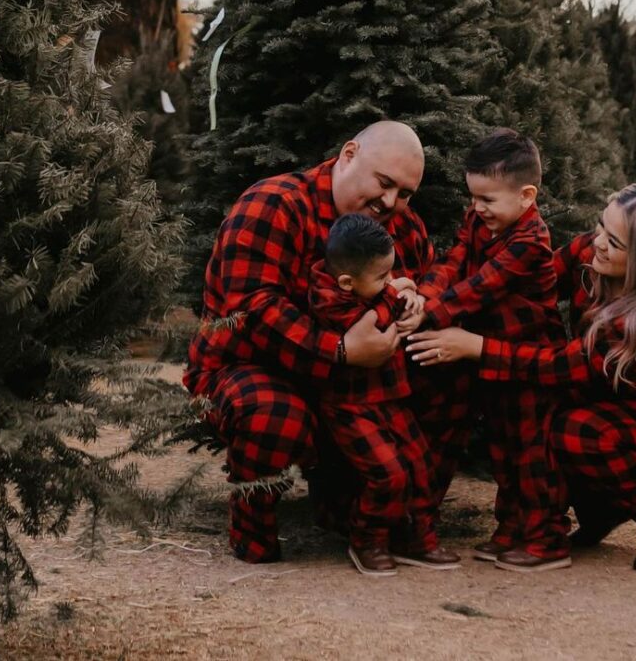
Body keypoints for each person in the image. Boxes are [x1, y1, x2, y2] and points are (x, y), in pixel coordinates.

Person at [407, 182, 636, 572]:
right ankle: (598, 509)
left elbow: (556, 366)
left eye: (616, 242)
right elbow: (530, 284)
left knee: (577, 431)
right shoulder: (589, 256)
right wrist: (433, 300)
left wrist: (474, 346)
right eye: (600, 227)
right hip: (620, 403)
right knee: (543, 414)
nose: (599, 243)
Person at [183, 121, 459, 568]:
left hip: (353, 388)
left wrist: (420, 301)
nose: (391, 202)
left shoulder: (398, 226)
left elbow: (434, 272)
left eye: (405, 193)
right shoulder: (272, 205)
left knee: (452, 377)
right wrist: (341, 349)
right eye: (384, 183)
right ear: (349, 154)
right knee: (274, 413)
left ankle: (380, 515)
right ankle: (252, 527)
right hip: (250, 366)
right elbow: (251, 311)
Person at [415, 129, 571, 571]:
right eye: (473, 197)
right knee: (503, 449)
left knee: (531, 451)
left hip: (527, 360)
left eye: (487, 199)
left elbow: (481, 288)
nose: (477, 208)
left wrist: (433, 314)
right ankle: (511, 527)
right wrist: (425, 295)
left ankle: (547, 537)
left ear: (526, 196)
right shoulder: (479, 220)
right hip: (490, 356)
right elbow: (456, 261)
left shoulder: (529, 240)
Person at [307, 213, 443, 575]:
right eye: (382, 276)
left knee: (421, 463)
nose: (388, 282)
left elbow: (389, 300)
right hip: (351, 406)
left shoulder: (371, 288)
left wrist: (408, 292)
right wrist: (398, 292)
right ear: (348, 282)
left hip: (390, 396)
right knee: (388, 474)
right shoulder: (327, 296)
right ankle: (367, 539)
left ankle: (418, 538)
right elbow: (371, 321)